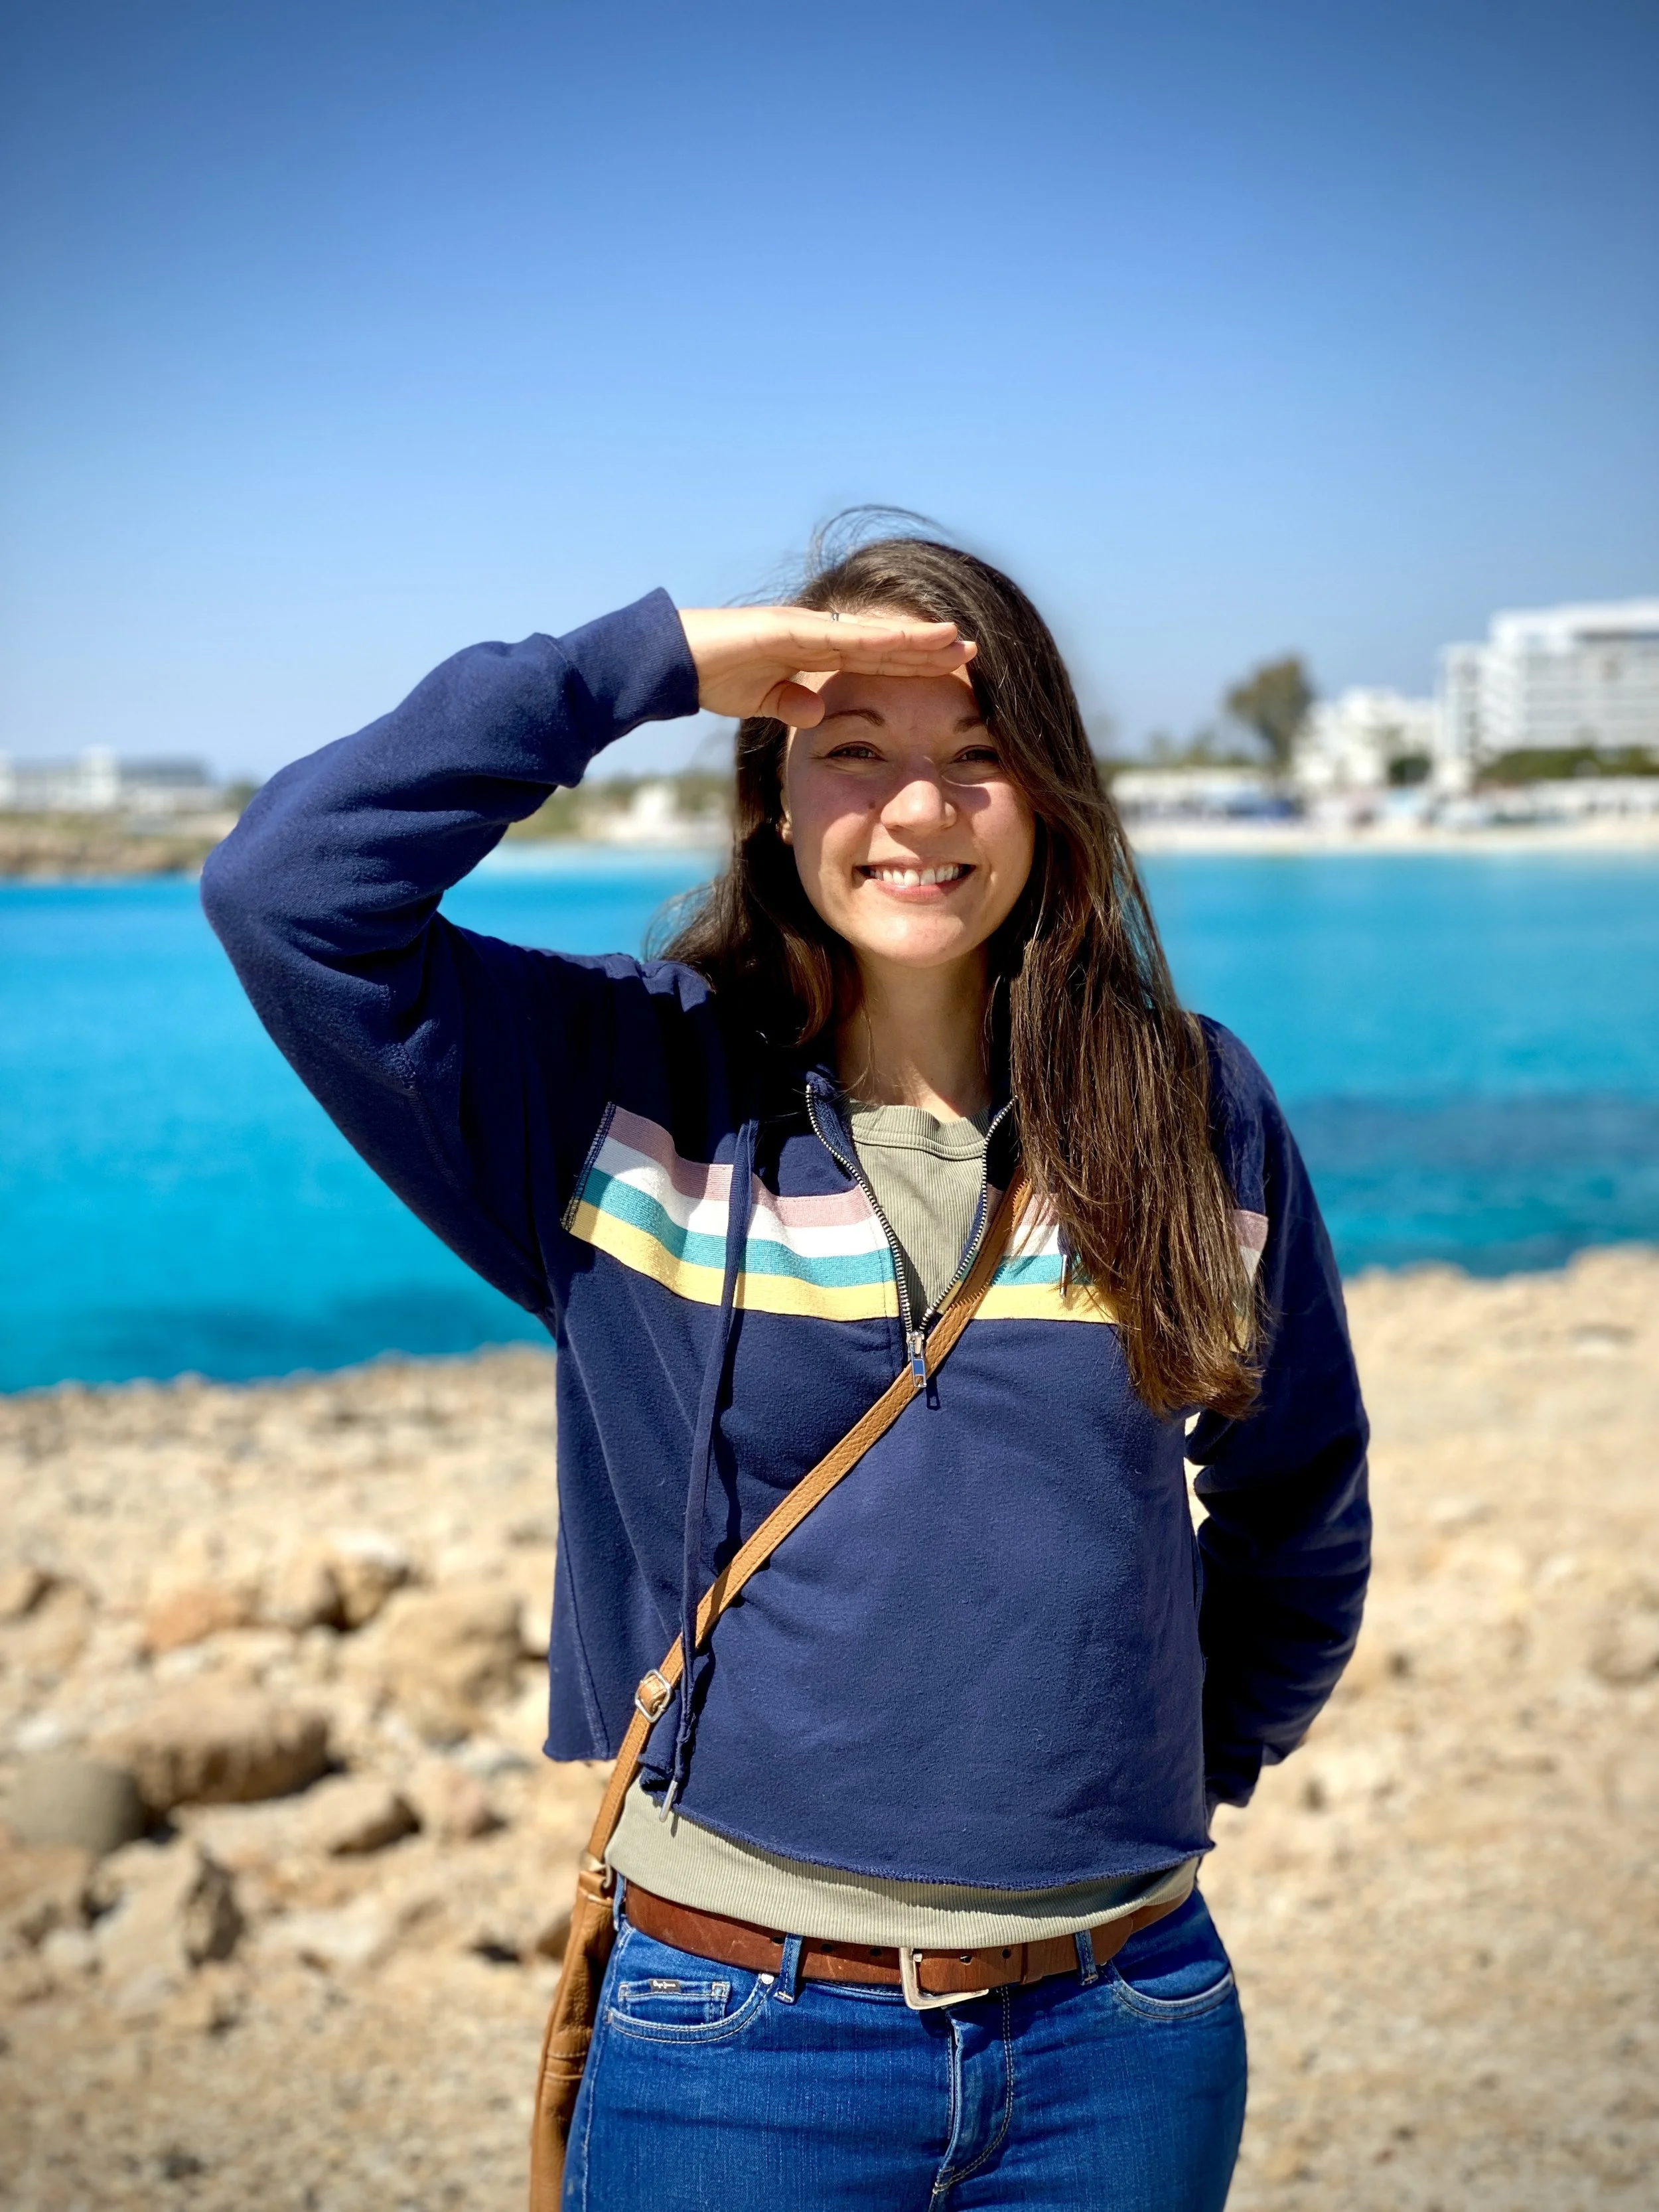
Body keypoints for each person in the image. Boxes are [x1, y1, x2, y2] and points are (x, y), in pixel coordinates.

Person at [203, 528, 1370, 2211]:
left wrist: (1174, 1762)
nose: (917, 811)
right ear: (769, 796)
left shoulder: (1188, 1107)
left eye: (977, 757)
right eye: (854, 751)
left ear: (1050, 795)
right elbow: (286, 889)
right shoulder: (617, 1088)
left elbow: (1298, 1495)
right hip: (735, 2036)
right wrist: (656, 663)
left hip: (1122, 2023)